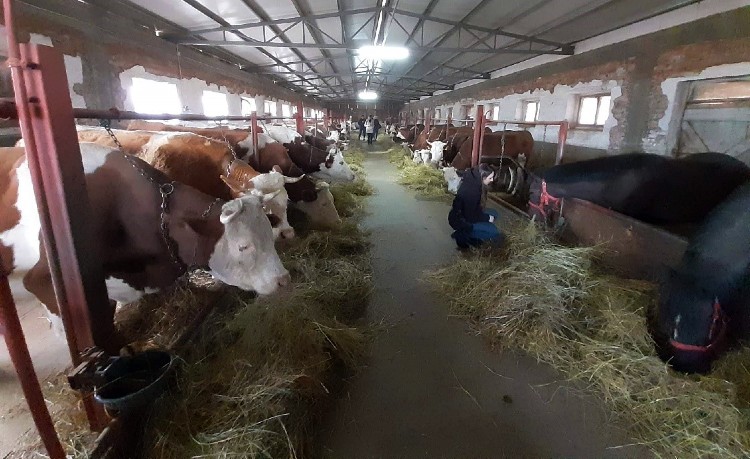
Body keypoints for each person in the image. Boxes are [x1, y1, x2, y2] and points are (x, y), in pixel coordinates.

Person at [448, 164, 504, 250]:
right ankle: (461, 235)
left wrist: (486, 216)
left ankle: (469, 234)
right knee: (494, 232)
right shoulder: (472, 191)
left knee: (495, 213)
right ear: (482, 177)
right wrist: (487, 218)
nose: (492, 180)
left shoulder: (474, 180)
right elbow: (470, 217)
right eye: (490, 178)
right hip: (461, 220)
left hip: (466, 212)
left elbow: (474, 208)